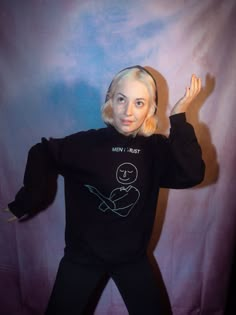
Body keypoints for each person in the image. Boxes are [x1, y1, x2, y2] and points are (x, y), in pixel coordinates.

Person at [3, 65, 205, 314]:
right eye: (122, 99)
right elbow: (42, 152)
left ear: (151, 108)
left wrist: (179, 117)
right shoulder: (86, 145)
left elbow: (192, 174)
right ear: (111, 100)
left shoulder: (156, 150)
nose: (128, 111)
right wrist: (28, 199)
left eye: (139, 103)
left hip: (133, 259)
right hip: (82, 258)